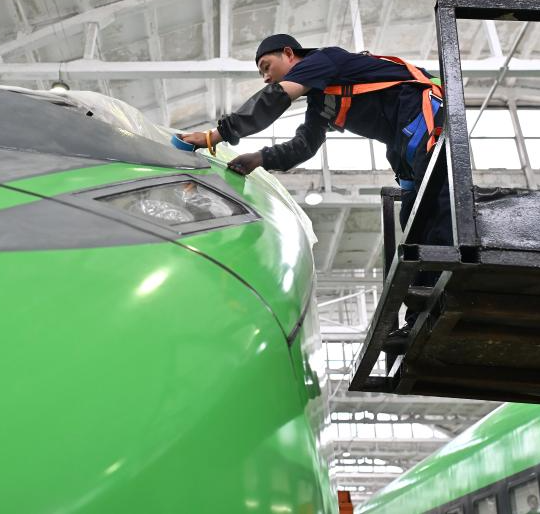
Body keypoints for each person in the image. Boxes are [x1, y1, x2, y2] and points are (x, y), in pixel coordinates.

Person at [180, 34, 452, 335]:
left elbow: (274, 99)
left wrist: (214, 137)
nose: (266, 77)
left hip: (422, 111)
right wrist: (259, 158)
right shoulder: (322, 99)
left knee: (435, 203)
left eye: (267, 66)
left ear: (289, 53)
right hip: (402, 140)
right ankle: (421, 317)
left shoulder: (324, 60)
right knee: (413, 219)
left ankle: (448, 293)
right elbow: (305, 145)